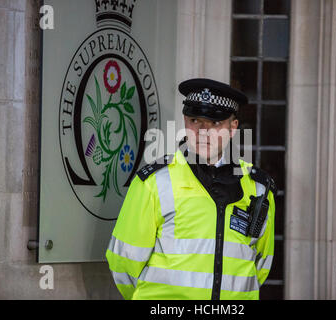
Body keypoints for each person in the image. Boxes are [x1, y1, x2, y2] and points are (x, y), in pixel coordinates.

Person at [106, 78, 276, 300]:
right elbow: (123, 262)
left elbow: (261, 265)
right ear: (185, 121)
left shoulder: (259, 187)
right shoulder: (154, 181)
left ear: (232, 128)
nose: (203, 131)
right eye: (195, 120)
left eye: (215, 123)